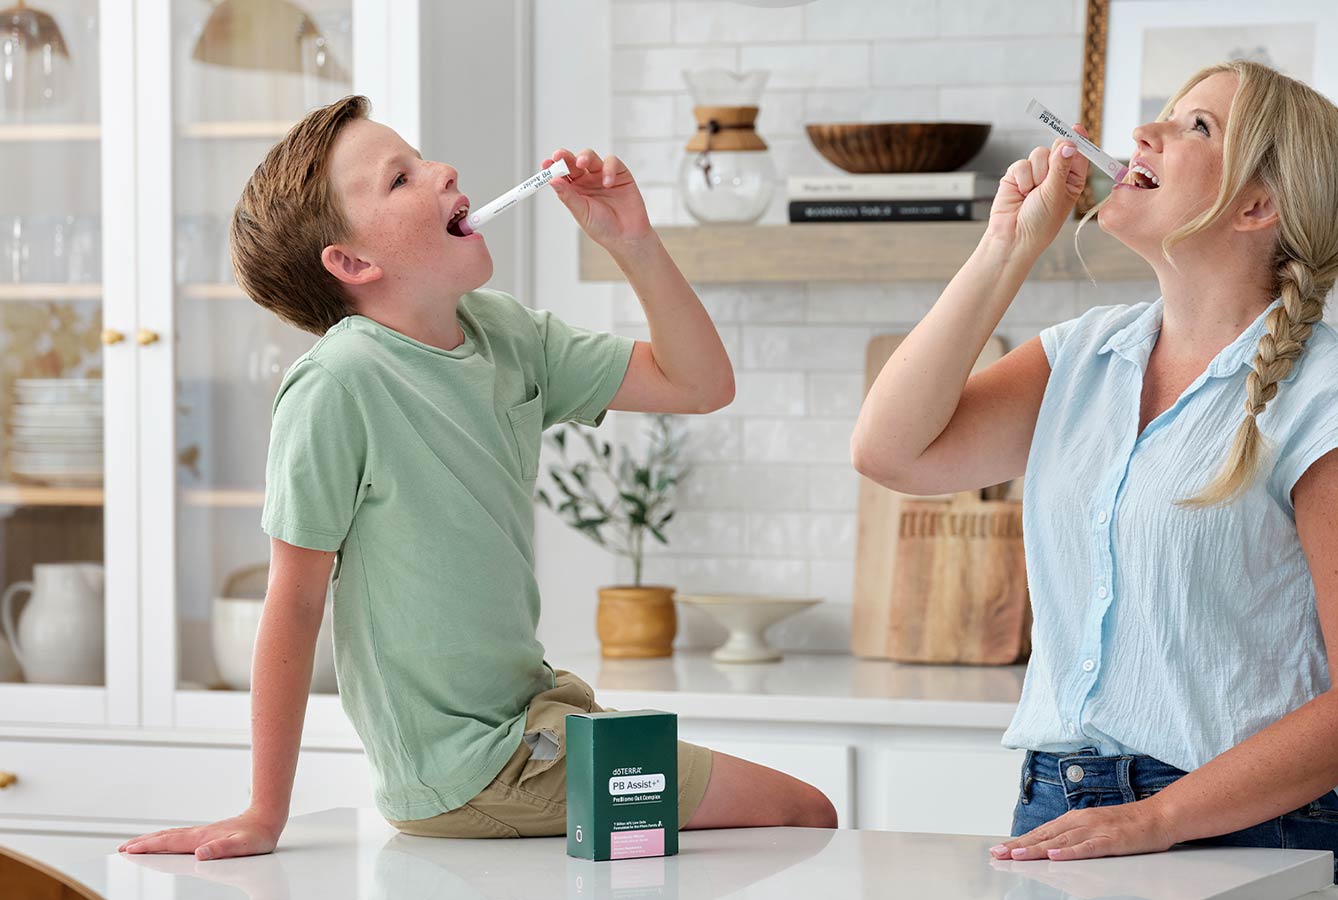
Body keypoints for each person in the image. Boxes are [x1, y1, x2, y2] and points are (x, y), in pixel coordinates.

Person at [119, 96, 836, 860]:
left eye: (421, 158)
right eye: (401, 179)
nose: (443, 171)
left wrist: (633, 243)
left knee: (790, 816)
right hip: (478, 767)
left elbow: (699, 385)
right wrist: (265, 812)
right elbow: (293, 603)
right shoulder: (339, 383)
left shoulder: (507, 335)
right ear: (354, 263)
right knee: (804, 812)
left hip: (538, 722)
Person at [850, 60, 1338, 886]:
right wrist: (1006, 246)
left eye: (1197, 126)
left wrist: (1158, 818)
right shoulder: (1084, 354)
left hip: (1249, 827)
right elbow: (890, 452)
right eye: (1162, 116)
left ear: (1258, 206)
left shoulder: (1331, 399)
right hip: (1061, 809)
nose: (1143, 134)